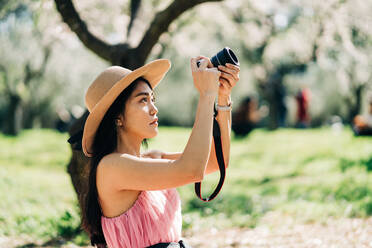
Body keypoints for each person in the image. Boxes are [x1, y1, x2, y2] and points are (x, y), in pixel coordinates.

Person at [79, 57, 240, 248]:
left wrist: (223, 97)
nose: (154, 109)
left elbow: (215, 161)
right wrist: (206, 95)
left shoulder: (151, 158)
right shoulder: (111, 167)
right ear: (117, 117)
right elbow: (193, 170)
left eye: (153, 99)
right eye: (143, 100)